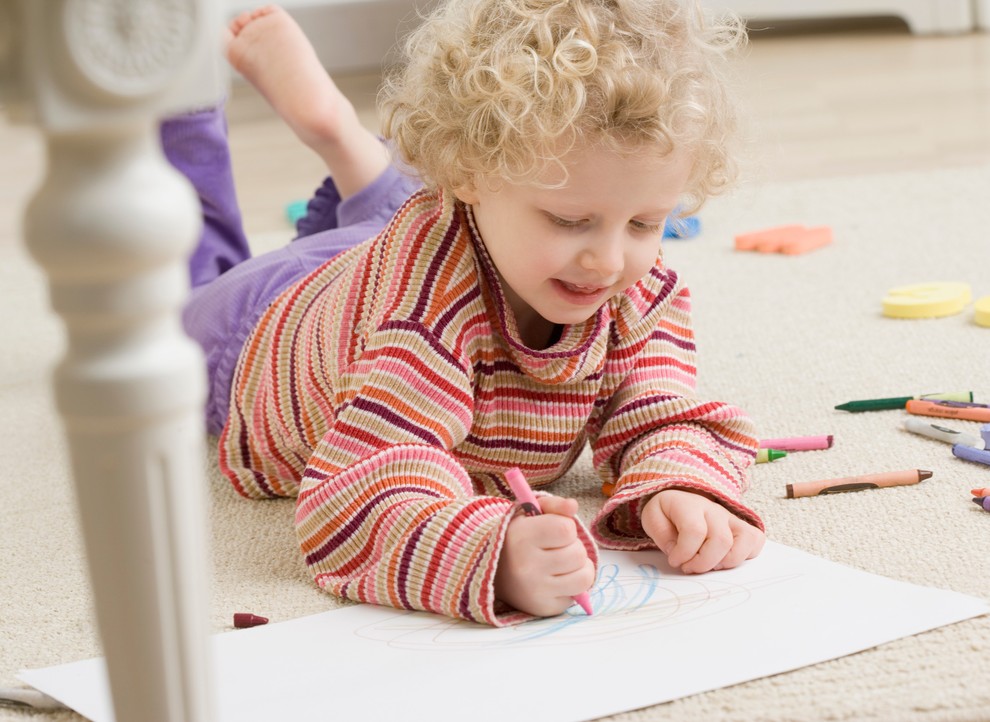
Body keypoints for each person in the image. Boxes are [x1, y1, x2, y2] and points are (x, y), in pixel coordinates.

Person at [168, 0, 765, 627]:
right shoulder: (424, 322)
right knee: (168, 290)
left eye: (646, 222)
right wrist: (494, 555)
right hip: (259, 324)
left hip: (405, 248)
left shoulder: (627, 284)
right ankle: (185, 113)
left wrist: (679, 482)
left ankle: (352, 149)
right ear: (468, 175)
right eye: (569, 220)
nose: (609, 261)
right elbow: (353, 497)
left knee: (427, 220)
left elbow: (656, 406)